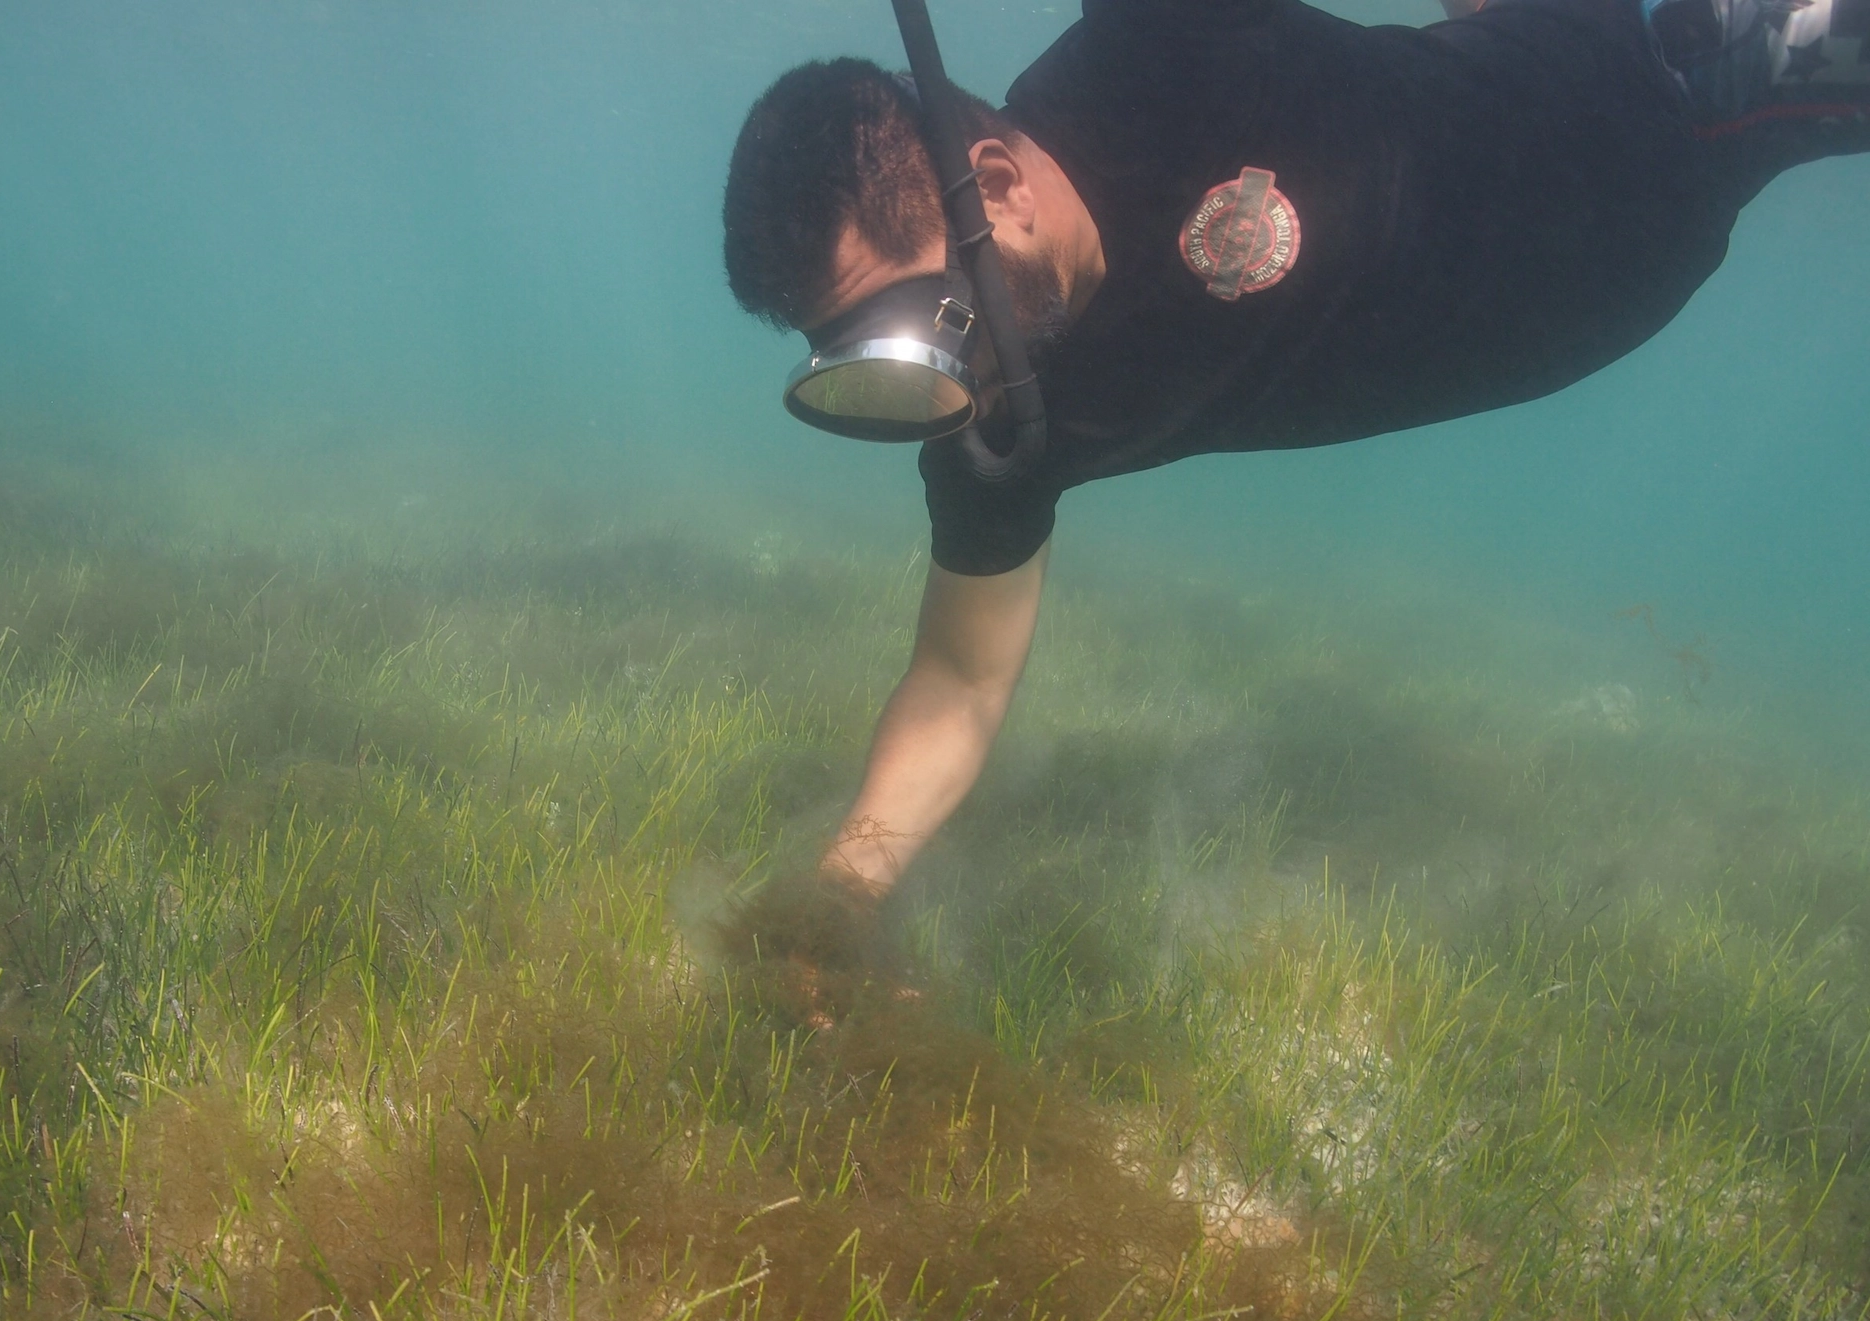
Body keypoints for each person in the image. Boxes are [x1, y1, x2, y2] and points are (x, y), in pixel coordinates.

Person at [720, 0, 1869, 906]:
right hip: (1629, 199)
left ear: (1000, 190)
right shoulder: (1001, 425)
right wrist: (848, 885)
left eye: (925, 321)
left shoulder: (1155, 45)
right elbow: (958, 681)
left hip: (1685, 68)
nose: (940, 385)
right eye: (873, 372)